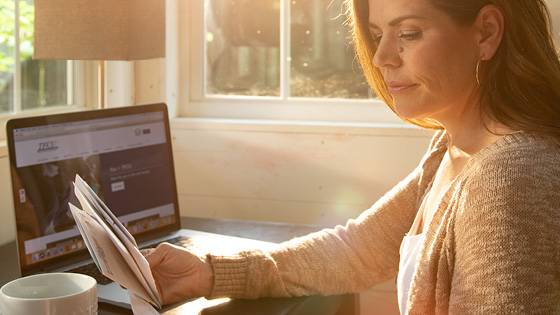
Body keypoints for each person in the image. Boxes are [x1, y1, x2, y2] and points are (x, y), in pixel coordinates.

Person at [143, 0, 560, 313]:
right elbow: (359, 250)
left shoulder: (510, 179)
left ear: (486, 32)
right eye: (379, 35)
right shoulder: (451, 148)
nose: (381, 58)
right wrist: (210, 272)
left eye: (409, 33)